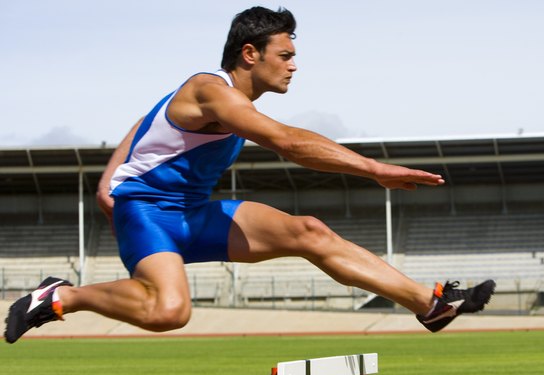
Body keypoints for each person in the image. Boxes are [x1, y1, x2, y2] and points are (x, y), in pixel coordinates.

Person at [4, 7, 495, 344]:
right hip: (148, 212)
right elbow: (286, 142)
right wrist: (373, 168)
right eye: (286, 55)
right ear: (249, 54)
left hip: (193, 213)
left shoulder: (217, 99)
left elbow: (145, 120)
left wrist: (107, 174)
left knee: (309, 231)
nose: (294, 66)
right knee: (169, 312)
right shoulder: (209, 89)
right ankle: (60, 296)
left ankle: (429, 305)